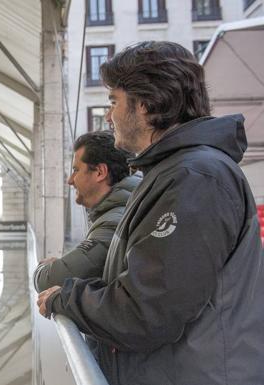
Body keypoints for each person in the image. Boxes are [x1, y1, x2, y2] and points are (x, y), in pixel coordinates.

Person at [36, 41, 264, 384]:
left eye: (114, 101)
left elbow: (147, 310)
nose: (109, 115)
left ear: (146, 105)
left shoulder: (194, 179)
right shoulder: (174, 173)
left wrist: (67, 298)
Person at [33, 131, 139, 292]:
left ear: (100, 172)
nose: (70, 180)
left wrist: (44, 267)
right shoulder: (122, 208)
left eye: (76, 170)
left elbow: (48, 280)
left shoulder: (113, 221)